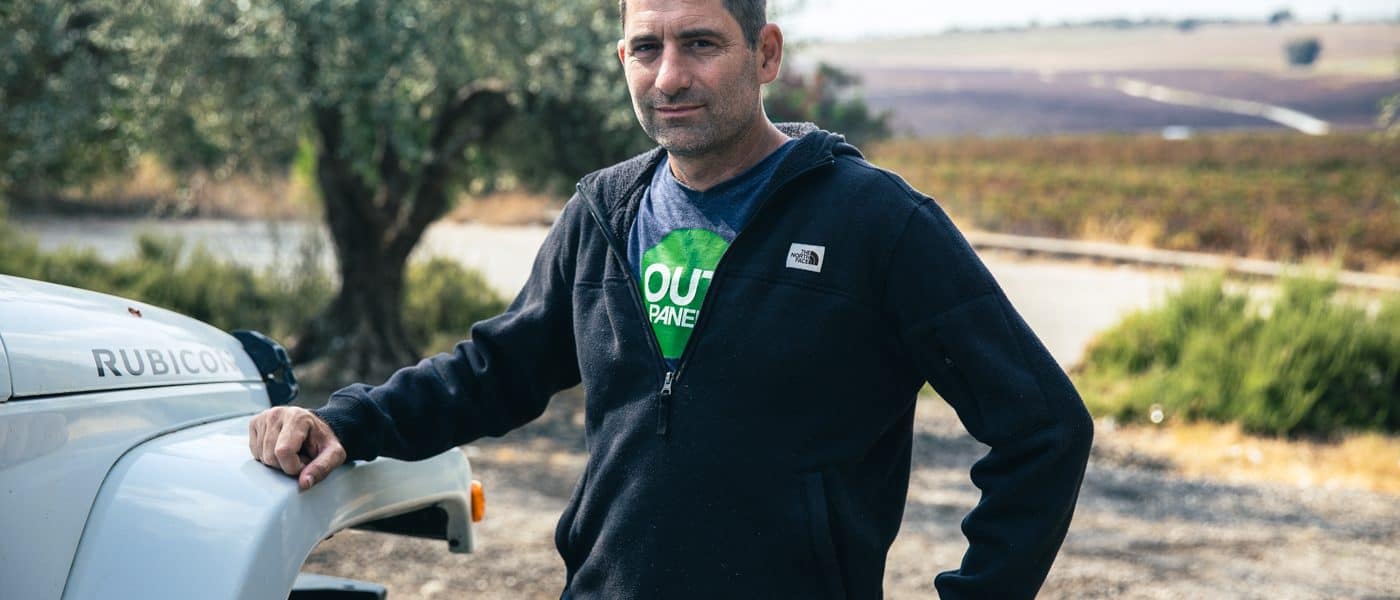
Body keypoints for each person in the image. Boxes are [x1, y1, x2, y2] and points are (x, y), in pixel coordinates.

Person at [247, 0, 1094, 597]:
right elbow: (494, 370)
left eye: (700, 44)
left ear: (766, 54)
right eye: (645, 48)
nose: (670, 76)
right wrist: (347, 423)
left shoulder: (875, 221)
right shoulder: (603, 211)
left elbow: (1045, 428)